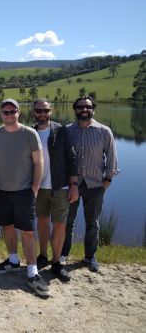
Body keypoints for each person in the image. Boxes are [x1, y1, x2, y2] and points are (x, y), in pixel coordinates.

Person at [0, 98, 50, 297]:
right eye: (5, 112)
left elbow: (39, 163)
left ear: (18, 112)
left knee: (28, 232)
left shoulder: (30, 134)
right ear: (1, 114)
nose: (9, 115)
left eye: (12, 111)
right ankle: (13, 261)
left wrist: (34, 189)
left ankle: (32, 271)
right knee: (7, 226)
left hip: (24, 192)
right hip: (1, 190)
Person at [61, 97, 119, 272]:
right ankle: (63, 254)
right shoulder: (67, 131)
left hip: (95, 184)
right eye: (80, 107)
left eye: (88, 107)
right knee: (67, 221)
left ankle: (90, 256)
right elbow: (62, 158)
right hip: (73, 184)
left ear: (93, 109)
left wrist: (108, 180)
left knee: (92, 222)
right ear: (75, 109)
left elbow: (112, 157)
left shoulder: (104, 131)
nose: (84, 109)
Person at [32, 98, 79, 282]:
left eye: (45, 110)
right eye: (38, 111)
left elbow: (72, 158)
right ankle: (42, 256)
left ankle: (57, 262)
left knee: (60, 225)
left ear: (51, 111)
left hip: (60, 187)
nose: (42, 114)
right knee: (42, 223)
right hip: (39, 189)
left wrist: (74, 185)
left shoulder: (61, 131)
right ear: (34, 112)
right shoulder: (30, 132)